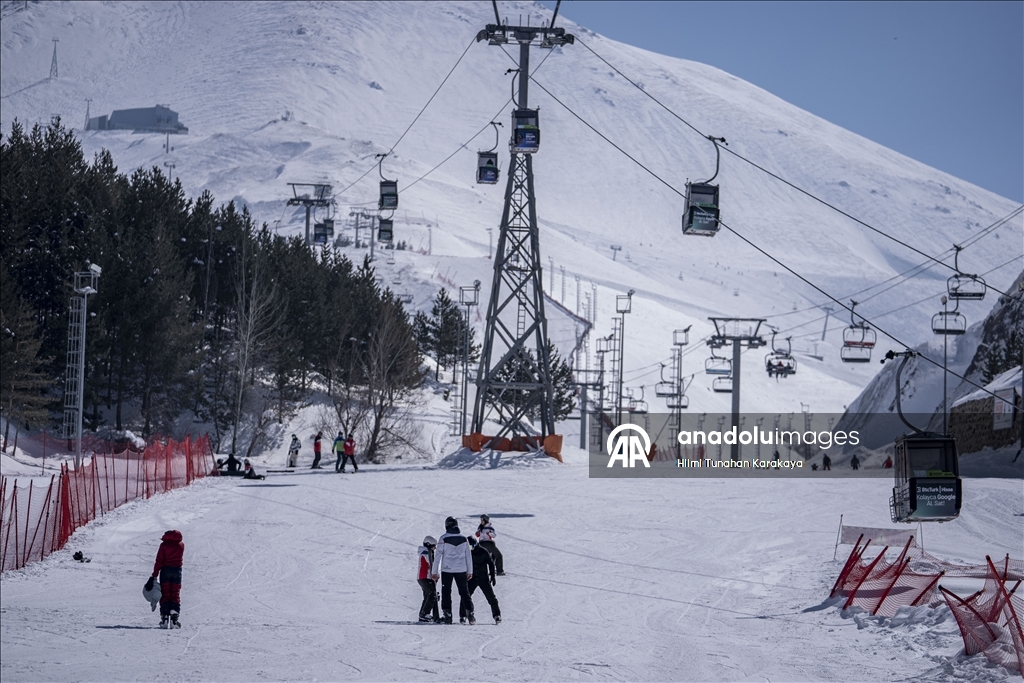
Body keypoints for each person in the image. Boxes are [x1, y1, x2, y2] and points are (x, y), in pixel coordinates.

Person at [431, 516, 473, 625]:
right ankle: (470, 613)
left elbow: (438, 556)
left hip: (447, 570)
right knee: (464, 591)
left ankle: (447, 615)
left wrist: (434, 572)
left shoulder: (443, 538)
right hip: (461, 569)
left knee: (446, 592)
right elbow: (468, 556)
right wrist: (470, 571)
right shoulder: (464, 539)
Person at [147, 529, 184, 628]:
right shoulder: (181, 545)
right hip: (177, 571)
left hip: (165, 571)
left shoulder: (164, 545)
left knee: (165, 594)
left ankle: (164, 619)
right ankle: (174, 619)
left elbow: (159, 561)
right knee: (175, 594)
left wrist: (154, 575)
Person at [461, 536, 501, 624]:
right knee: (466, 596)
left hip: (483, 578)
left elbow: (490, 563)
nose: (470, 549)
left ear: (475, 545)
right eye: (468, 547)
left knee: (491, 597)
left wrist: (493, 576)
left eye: (471, 547)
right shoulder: (466, 553)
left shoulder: (483, 551)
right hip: (472, 578)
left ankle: (497, 615)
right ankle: (463, 615)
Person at [417, 536, 440, 623]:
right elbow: (431, 564)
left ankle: (424, 614)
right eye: (434, 546)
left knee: (428, 596)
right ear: (428, 545)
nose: (435, 548)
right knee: (432, 595)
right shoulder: (426, 552)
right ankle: (424, 614)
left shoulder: (426, 552)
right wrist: (435, 574)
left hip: (422, 577)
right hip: (425, 577)